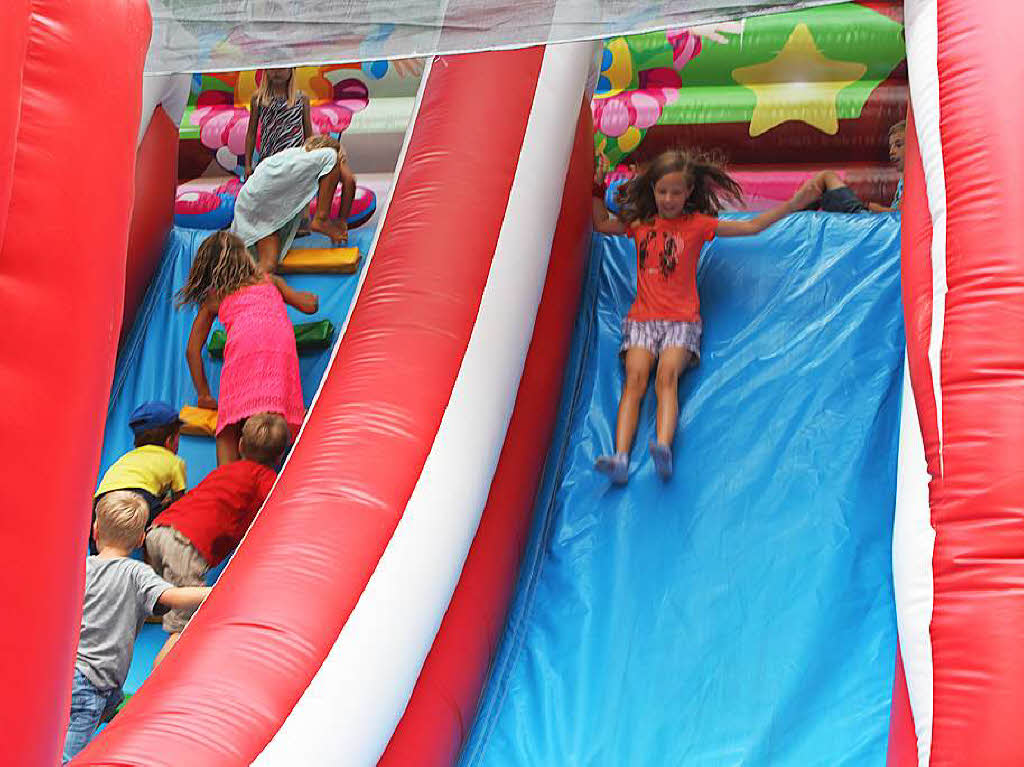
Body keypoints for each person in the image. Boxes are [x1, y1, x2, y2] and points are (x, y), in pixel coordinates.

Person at [592, 148, 818, 484]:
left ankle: (663, 448)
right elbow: (600, 224)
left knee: (665, 378)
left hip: (681, 321)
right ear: (652, 190)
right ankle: (621, 458)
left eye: (676, 192)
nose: (668, 199)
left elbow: (754, 226)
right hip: (642, 319)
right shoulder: (640, 224)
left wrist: (794, 204)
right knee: (635, 380)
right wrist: (596, 187)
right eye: (662, 191)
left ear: (689, 193)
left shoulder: (697, 226)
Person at [63, 492, 210, 763]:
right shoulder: (136, 573)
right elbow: (173, 597)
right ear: (141, 539)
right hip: (93, 682)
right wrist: (214, 591)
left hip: (71, 676)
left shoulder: (81, 566)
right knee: (71, 756)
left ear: (95, 531)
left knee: (106, 702)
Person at [145, 413, 290, 666]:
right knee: (184, 629)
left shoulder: (227, 471)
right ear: (279, 456)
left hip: (157, 531)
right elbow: (280, 508)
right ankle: (155, 688)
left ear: (241, 445)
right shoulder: (265, 479)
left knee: (141, 607)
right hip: (183, 545)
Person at [179, 231, 309, 466]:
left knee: (229, 424)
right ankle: (273, 473)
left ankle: (226, 475)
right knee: (273, 416)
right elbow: (309, 306)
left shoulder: (216, 296)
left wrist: (204, 394)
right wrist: (309, 298)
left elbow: (192, 349)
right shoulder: (269, 280)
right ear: (245, 257)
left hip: (245, 346)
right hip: (280, 345)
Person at [232, 134, 357, 274]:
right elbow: (350, 181)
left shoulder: (293, 158)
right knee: (332, 158)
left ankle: (246, 285)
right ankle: (321, 219)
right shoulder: (328, 154)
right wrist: (341, 221)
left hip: (250, 204)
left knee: (269, 264)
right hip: (260, 201)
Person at [91, 401, 186, 551]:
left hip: (102, 498)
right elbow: (180, 501)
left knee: (100, 539)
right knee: (165, 521)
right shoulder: (175, 462)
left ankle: (96, 563)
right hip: (140, 497)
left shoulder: (126, 457)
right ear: (170, 441)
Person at [798, 119, 906, 213]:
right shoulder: (904, 178)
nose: (891, 151)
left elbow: (900, 215)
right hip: (871, 219)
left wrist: (877, 209)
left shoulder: (914, 181)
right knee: (824, 185)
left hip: (868, 219)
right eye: (890, 146)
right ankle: (792, 216)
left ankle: (789, 215)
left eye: (898, 145)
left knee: (826, 178)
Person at [244, 68, 313, 179]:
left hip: (294, 160)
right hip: (268, 160)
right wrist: (247, 165)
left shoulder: (301, 99)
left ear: (291, 69)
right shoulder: (259, 99)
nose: (276, 71)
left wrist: (310, 160)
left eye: (282, 68)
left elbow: (308, 133)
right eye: (272, 68)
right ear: (265, 71)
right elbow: (251, 133)